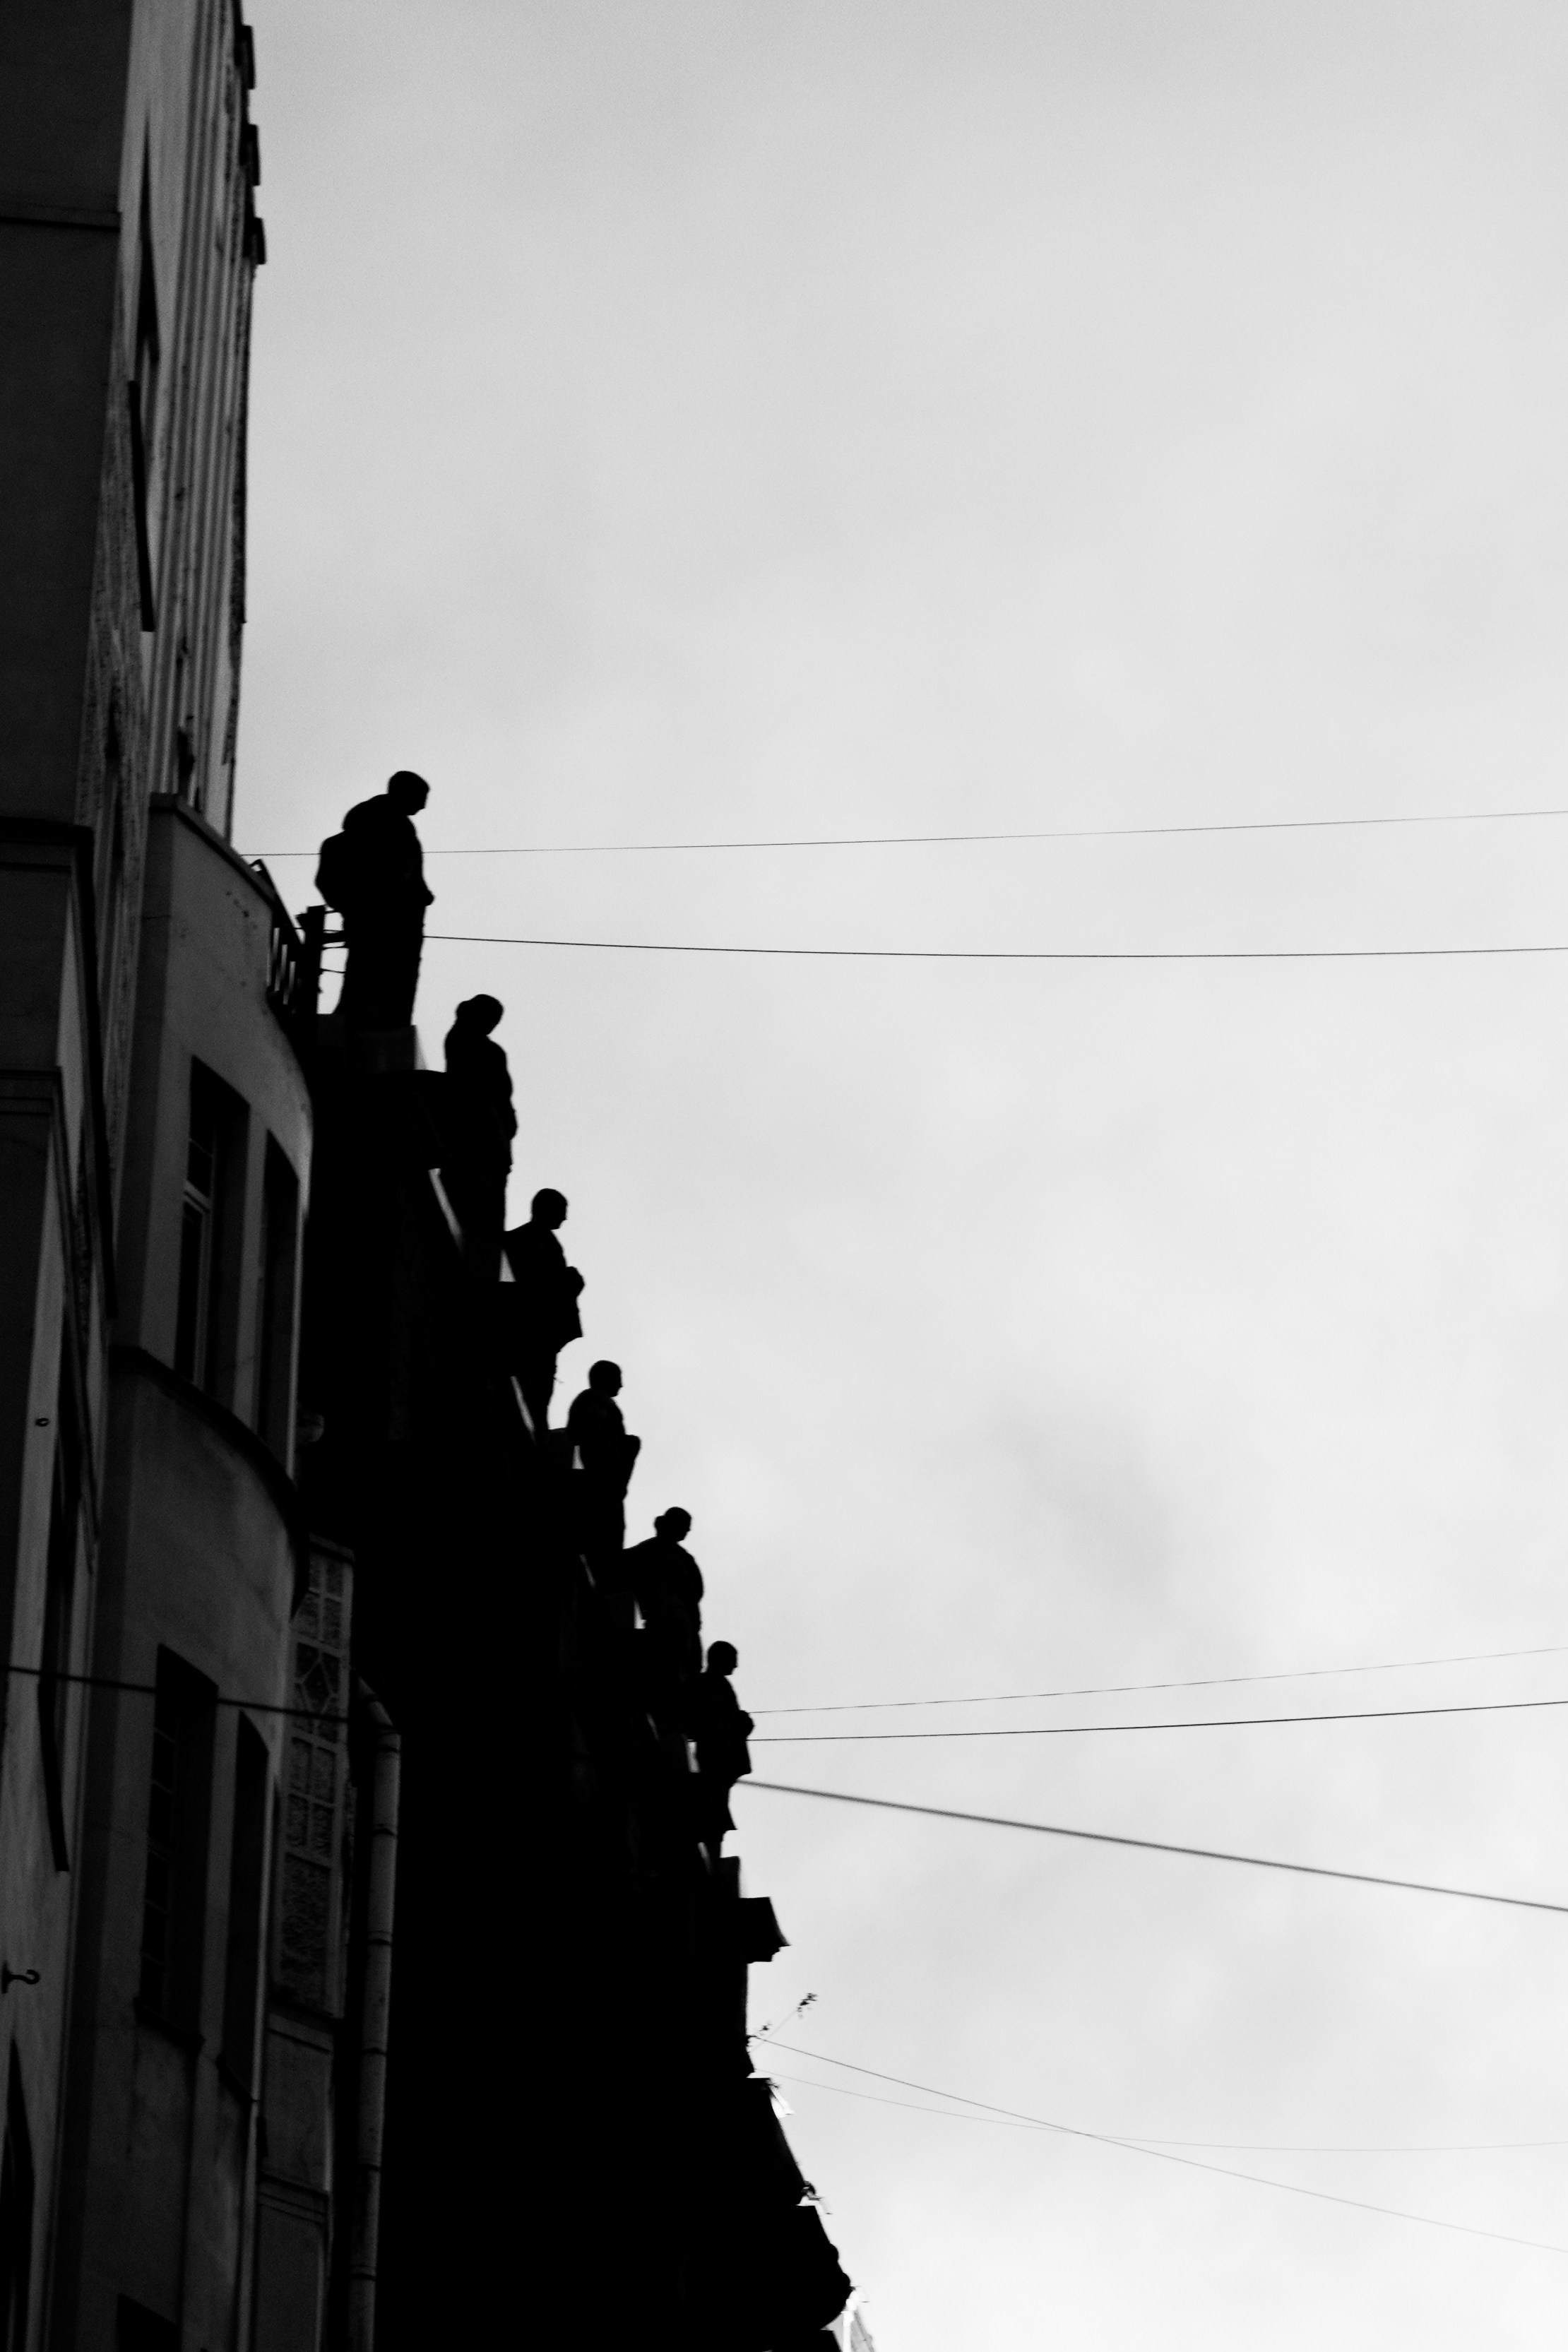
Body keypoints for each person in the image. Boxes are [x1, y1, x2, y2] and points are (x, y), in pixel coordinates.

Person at [319, 769, 434, 1031]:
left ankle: (372, 1022)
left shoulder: (392, 824)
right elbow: (395, 871)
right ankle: (371, 1025)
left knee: (378, 976)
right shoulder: (383, 823)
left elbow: (408, 872)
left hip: (390, 917)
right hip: (384, 918)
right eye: (421, 797)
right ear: (403, 792)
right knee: (376, 976)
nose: (424, 805)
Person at [441, 995, 516, 1281]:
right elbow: (480, 1087)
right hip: (477, 1136)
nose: (494, 1024)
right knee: (477, 1206)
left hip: (492, 1138)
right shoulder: (468, 1041)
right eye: (492, 1017)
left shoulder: (488, 1049)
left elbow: (502, 1094)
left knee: (488, 1212)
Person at [502, 1188, 583, 1436]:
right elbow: (536, 1287)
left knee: (538, 1397)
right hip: (530, 1333)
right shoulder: (530, 1240)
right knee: (531, 1394)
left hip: (539, 1336)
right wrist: (568, 1283)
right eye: (562, 1211)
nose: (565, 1218)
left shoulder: (544, 1243)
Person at [622, 1507, 703, 1725]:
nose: (686, 1533)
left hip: (678, 1620)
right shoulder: (653, 1550)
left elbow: (695, 1592)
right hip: (665, 1618)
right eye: (684, 1528)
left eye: (688, 1529)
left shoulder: (683, 1558)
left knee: (678, 1670)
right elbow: (621, 1566)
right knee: (667, 1669)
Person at [564, 1360, 641, 1579]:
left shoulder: (593, 1400)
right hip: (603, 1473)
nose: (622, 1385)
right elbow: (590, 1433)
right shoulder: (596, 1400)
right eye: (618, 1377)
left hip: (606, 1473)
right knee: (609, 1531)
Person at [690, 1640, 754, 1858]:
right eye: (733, 1660)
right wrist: (740, 1723)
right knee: (713, 1813)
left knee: (716, 1812)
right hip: (716, 1758)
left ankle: (711, 1855)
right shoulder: (710, 1684)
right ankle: (710, 1857)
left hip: (720, 1760)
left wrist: (741, 1722)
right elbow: (716, 1723)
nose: (735, 1666)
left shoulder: (718, 1685)